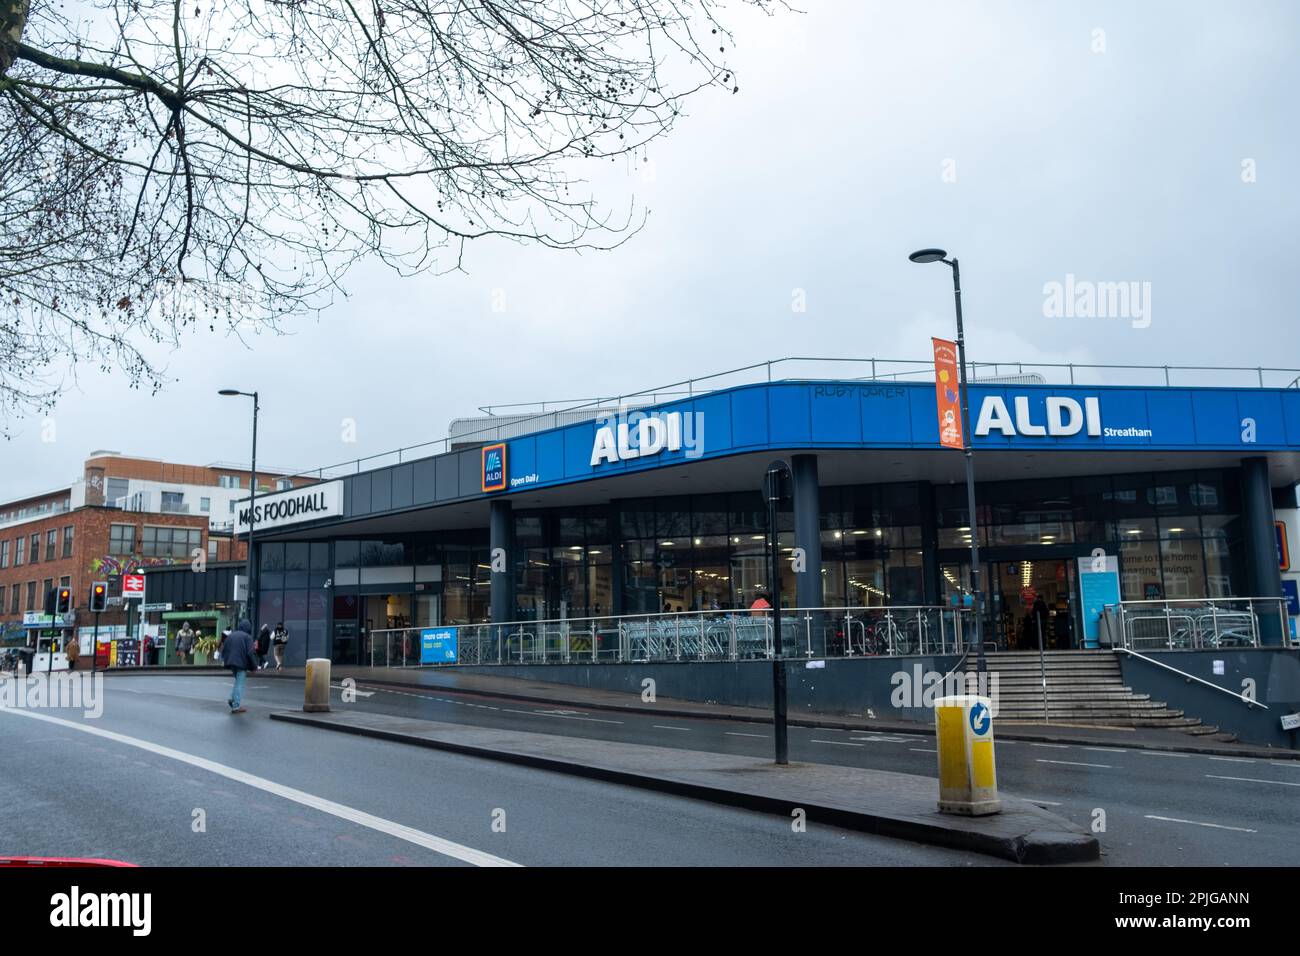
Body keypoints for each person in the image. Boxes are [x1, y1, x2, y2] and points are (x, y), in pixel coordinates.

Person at [222, 619, 257, 714]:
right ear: (248, 628)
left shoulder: (231, 636)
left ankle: (233, 699)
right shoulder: (247, 637)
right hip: (241, 663)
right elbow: (250, 653)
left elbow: (224, 649)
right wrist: (254, 667)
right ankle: (236, 705)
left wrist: (226, 661)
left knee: (237, 682)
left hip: (231, 662)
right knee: (240, 684)